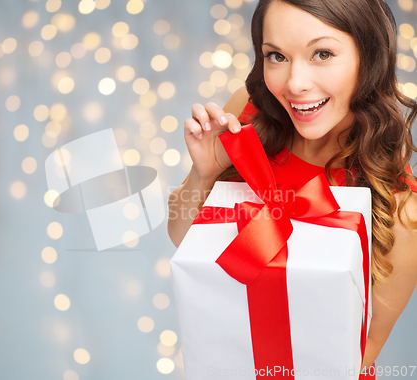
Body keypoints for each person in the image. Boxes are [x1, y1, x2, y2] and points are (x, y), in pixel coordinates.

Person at [168, 0, 417, 376]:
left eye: (322, 53)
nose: (295, 84)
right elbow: (179, 236)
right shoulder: (246, 116)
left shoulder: (401, 210)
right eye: (276, 56)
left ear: (369, 58)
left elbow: (358, 353)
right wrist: (204, 174)